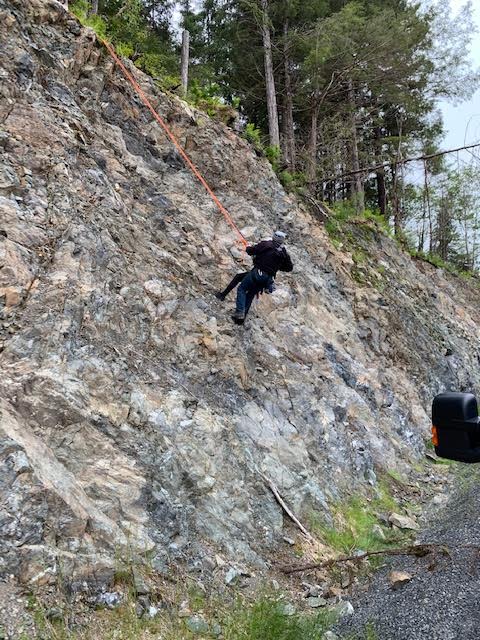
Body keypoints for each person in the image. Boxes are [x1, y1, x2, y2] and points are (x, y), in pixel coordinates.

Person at [220, 230, 293, 324]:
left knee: (242, 289)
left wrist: (248, 248)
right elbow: (289, 268)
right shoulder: (284, 253)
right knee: (249, 292)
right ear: (282, 240)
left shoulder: (266, 244)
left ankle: (239, 312)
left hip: (257, 273)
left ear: (274, 237)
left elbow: (251, 251)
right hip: (267, 279)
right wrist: (276, 266)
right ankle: (239, 319)